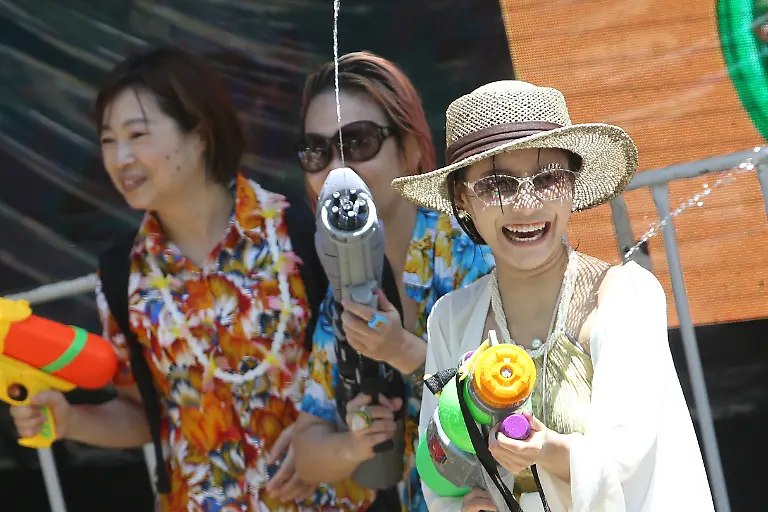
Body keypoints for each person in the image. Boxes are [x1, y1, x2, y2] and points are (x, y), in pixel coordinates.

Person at [9, 45, 334, 511]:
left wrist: (330, 445)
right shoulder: (123, 276)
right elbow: (145, 414)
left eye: (137, 134)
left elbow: (360, 375)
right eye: (107, 140)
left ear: (198, 132)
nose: (120, 157)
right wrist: (69, 420)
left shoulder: (299, 235)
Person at [393, 80, 715, 511]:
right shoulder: (451, 319)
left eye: (548, 178)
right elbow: (439, 473)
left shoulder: (626, 296)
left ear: (574, 183)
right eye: (497, 185)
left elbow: (624, 454)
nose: (527, 205)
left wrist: (545, 450)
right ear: (462, 198)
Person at [291, 51, 495, 512]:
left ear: (411, 148)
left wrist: (400, 351)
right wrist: (356, 443)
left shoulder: (472, 245)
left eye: (358, 142)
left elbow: (509, 391)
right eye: (316, 152)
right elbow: (306, 451)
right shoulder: (341, 293)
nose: (336, 170)